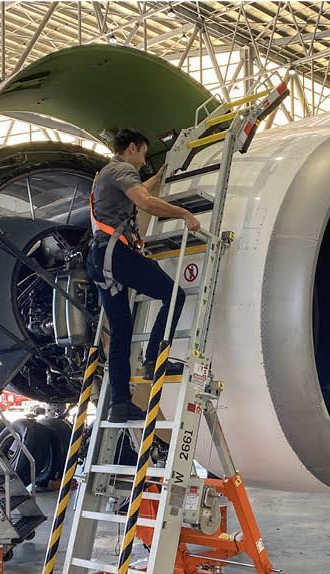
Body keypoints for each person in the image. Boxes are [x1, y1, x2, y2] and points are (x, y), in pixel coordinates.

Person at [87, 128, 201, 423]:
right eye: (144, 154)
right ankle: (153, 359)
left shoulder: (106, 174)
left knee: (122, 331)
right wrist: (183, 213)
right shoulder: (123, 168)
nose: (142, 161)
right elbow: (146, 202)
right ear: (134, 148)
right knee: (173, 294)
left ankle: (120, 404)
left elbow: (141, 190)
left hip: (100, 259)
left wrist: (161, 175)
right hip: (116, 255)